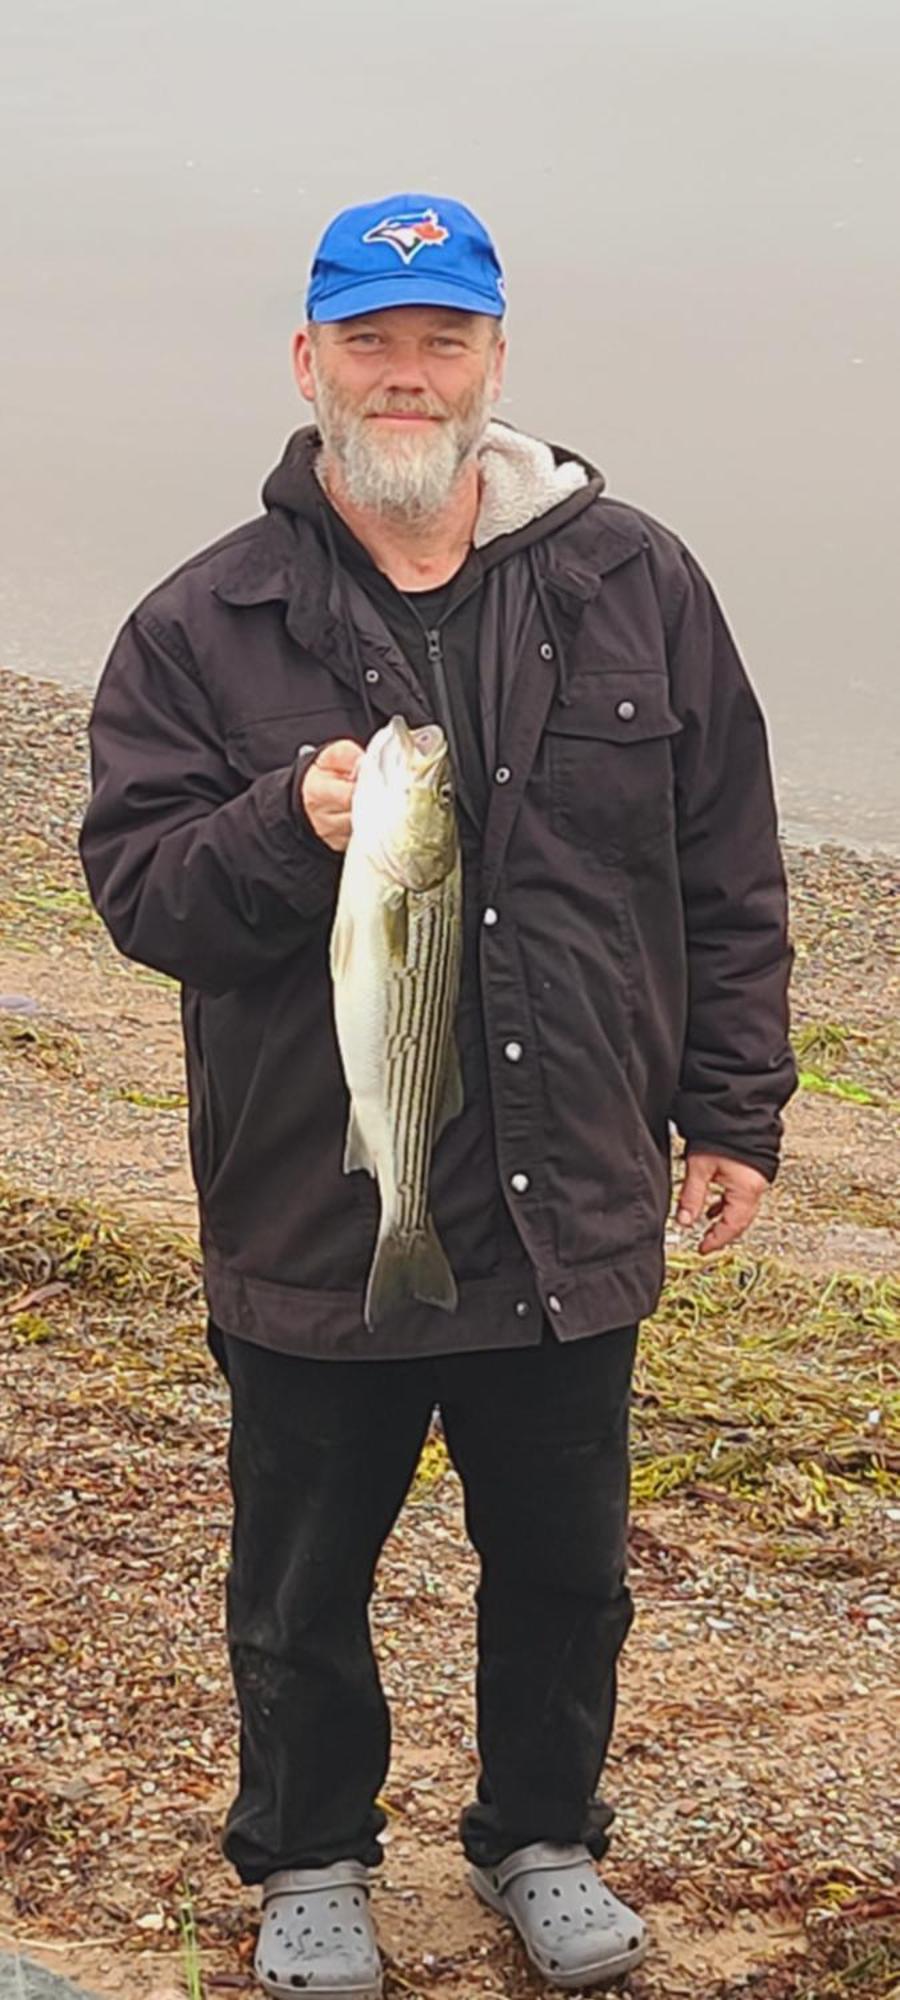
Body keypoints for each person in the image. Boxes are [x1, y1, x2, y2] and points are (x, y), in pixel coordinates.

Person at [79, 192, 796, 1998]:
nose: (409, 378)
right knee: (302, 1583)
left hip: (573, 1202)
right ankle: (311, 1852)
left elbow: (728, 869)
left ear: (496, 362)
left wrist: (733, 1114)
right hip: (328, 1202)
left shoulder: (638, 578)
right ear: (306, 361)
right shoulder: (203, 621)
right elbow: (141, 895)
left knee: (566, 1571)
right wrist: (277, 825)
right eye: (373, 344)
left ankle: (540, 1833)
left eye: (443, 344)